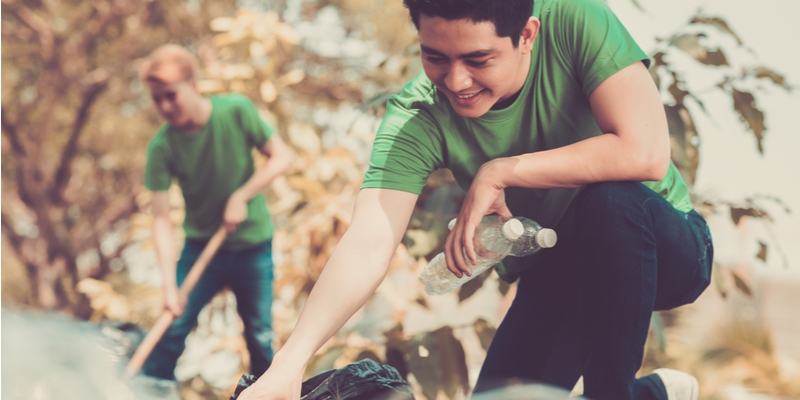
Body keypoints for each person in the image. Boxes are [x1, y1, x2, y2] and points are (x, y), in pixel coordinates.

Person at [239, 0, 713, 399]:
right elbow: (369, 240)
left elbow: (645, 151)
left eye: (478, 60)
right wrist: (290, 363)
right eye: (435, 57)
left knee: (608, 202)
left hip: (665, 246)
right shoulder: (418, 116)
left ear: (527, 35)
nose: (456, 81)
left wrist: (501, 170)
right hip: (561, 273)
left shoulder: (574, 19)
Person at [138, 44, 292, 381]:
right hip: (200, 250)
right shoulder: (162, 147)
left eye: (170, 95)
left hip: (252, 246)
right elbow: (161, 220)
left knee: (260, 338)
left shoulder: (235, 111)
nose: (164, 106)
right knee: (170, 333)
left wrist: (242, 195)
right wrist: (168, 286)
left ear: (192, 85)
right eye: (157, 98)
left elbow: (281, 157)